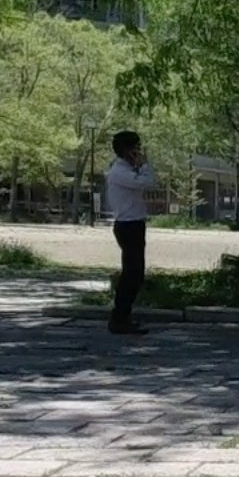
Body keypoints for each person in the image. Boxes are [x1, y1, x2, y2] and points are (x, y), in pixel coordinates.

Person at [104, 131, 158, 336]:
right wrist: (143, 165)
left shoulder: (127, 170)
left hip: (134, 224)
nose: (139, 151)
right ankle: (119, 318)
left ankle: (123, 316)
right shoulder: (119, 172)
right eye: (135, 147)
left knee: (135, 273)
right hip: (128, 225)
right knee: (131, 274)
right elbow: (147, 182)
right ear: (126, 150)